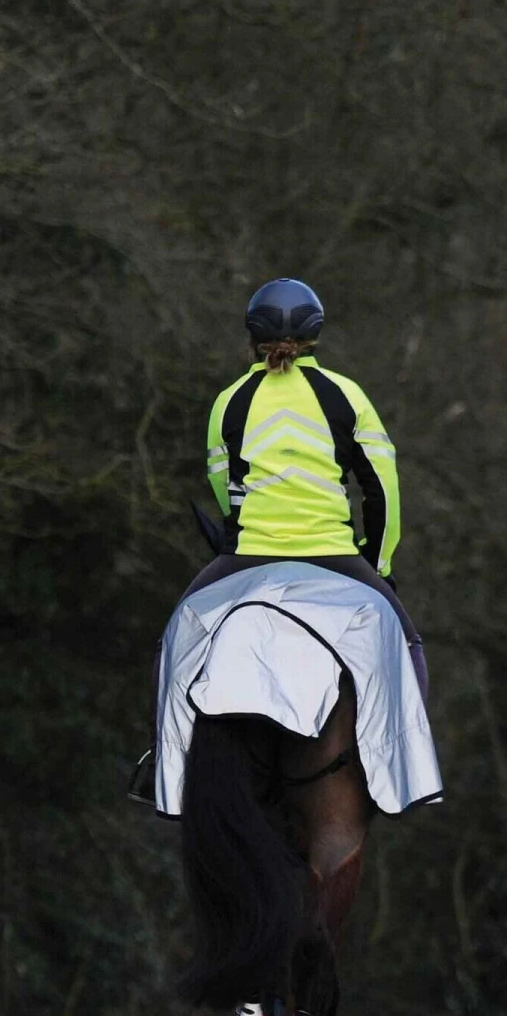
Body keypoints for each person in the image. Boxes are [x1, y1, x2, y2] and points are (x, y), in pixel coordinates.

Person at [186, 276, 427, 699]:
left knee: (176, 641)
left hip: (249, 557)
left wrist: (243, 532)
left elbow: (224, 489)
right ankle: (413, 762)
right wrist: (378, 563)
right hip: (334, 556)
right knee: (408, 649)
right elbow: (382, 490)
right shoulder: (347, 396)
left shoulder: (229, 401)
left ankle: (161, 756)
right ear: (315, 335)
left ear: (252, 336)